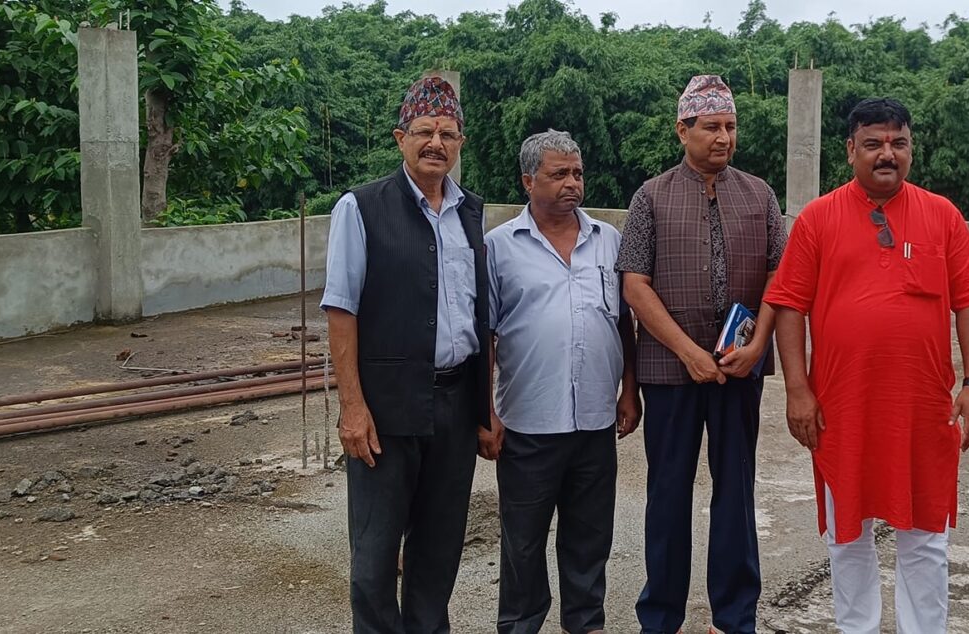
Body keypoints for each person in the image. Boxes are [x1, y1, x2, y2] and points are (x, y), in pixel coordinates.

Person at [764, 97, 969, 634]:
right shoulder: (818, 218)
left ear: (911, 149)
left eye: (898, 143)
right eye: (873, 143)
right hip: (841, 410)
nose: (887, 154)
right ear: (851, 151)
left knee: (925, 538)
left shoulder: (942, 215)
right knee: (847, 536)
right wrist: (797, 390)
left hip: (923, 411)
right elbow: (789, 307)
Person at [616, 74, 787, 634]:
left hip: (740, 369)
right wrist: (688, 352)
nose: (723, 138)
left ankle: (735, 617)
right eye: (711, 126)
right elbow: (635, 284)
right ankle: (660, 617)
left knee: (736, 491)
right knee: (668, 493)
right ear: (682, 130)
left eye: (730, 126)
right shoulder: (651, 196)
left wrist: (757, 345)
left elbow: (779, 277)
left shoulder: (759, 195)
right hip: (670, 371)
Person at [320, 74, 491, 634]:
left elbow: (481, 318)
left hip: (455, 405)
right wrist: (352, 407)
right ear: (401, 138)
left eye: (447, 133)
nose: (435, 143)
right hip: (385, 408)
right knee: (374, 557)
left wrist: (485, 411)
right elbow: (341, 310)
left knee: (438, 552)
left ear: (460, 142)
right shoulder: (361, 207)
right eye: (423, 131)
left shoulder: (470, 213)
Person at [480, 129, 640, 634]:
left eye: (577, 173)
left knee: (589, 537)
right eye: (559, 174)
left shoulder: (608, 241)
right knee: (523, 542)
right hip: (528, 424)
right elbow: (485, 336)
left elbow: (624, 323)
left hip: (595, 420)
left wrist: (630, 389)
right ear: (528, 181)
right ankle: (521, 624)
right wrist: (485, 412)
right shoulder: (498, 247)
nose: (572, 183)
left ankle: (585, 623)